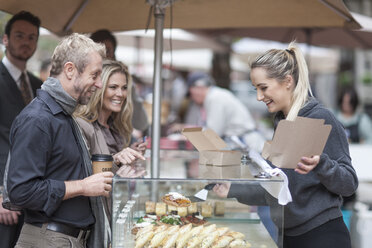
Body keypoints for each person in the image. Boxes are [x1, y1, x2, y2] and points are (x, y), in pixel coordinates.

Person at [213, 42, 358, 248]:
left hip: (322, 237)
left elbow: (349, 184)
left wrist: (322, 164)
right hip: (289, 237)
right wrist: (232, 189)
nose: (259, 97)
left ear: (288, 81)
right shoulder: (282, 121)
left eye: (263, 88)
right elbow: (278, 189)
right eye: (255, 89)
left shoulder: (321, 118)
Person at [6, 33, 112, 248]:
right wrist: (82, 186)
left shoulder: (63, 115)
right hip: (49, 239)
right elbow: (21, 191)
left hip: (64, 240)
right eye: (95, 75)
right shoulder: (37, 118)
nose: (99, 84)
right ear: (70, 70)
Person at [0, 11, 42, 248]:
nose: (26, 42)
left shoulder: (37, 85)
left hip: (31, 196)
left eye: (32, 37)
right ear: (5, 39)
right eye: (19, 36)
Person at [74, 59, 147, 171]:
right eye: (113, 87)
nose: (120, 94)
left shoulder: (117, 125)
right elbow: (83, 172)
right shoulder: (82, 124)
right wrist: (116, 159)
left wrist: (130, 153)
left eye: (124, 88)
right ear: (98, 89)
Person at [172, 71, 265, 152]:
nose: (192, 98)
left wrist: (188, 136)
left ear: (198, 88)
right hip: (244, 144)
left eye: (191, 94)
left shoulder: (215, 98)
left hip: (249, 146)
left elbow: (213, 133)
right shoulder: (214, 96)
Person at [90, 29, 149, 136]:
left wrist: (127, 84)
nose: (102, 56)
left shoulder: (121, 80)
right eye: (97, 51)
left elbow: (141, 123)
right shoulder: (83, 86)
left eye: (107, 51)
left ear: (113, 55)